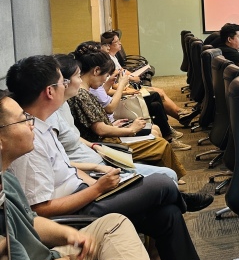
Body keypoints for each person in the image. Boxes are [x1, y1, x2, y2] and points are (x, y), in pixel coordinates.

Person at [4, 56, 208, 260]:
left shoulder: (45, 124)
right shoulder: (29, 142)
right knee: (163, 183)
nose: (66, 85)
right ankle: (182, 199)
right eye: (63, 81)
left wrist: (95, 182)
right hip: (77, 210)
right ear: (49, 92)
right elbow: (40, 210)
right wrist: (97, 189)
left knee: (167, 214)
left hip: (86, 194)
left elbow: (66, 170)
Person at [0, 90, 156, 260]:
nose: (30, 124)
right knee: (161, 187)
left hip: (42, 255)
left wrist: (68, 235)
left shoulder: (7, 178)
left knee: (115, 223)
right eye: (22, 120)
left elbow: (29, 221)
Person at [52, 54, 182, 182]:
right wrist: (131, 130)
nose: (80, 80)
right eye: (77, 76)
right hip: (105, 143)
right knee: (160, 144)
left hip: (101, 143)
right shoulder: (80, 96)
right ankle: (171, 181)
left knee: (155, 130)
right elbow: (101, 127)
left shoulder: (71, 101)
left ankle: (170, 181)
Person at [100, 31, 191, 121]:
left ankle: (180, 112)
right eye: (117, 42)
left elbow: (122, 70)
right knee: (158, 93)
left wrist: (132, 76)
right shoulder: (108, 62)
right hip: (126, 91)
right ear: (108, 45)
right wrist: (128, 86)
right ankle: (180, 115)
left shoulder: (113, 57)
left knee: (160, 91)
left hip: (127, 87)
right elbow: (113, 86)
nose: (120, 43)